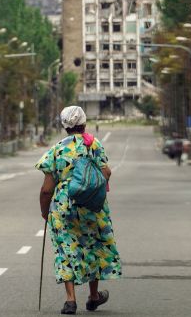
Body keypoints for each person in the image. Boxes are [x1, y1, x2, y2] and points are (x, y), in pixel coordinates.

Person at [35, 106, 122, 315]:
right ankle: (93, 296)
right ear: (84, 123)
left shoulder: (56, 150)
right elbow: (107, 172)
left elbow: (47, 190)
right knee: (93, 247)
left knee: (67, 250)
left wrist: (45, 212)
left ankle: (70, 300)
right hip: (92, 206)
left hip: (64, 207)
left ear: (64, 126)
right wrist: (91, 186)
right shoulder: (93, 145)